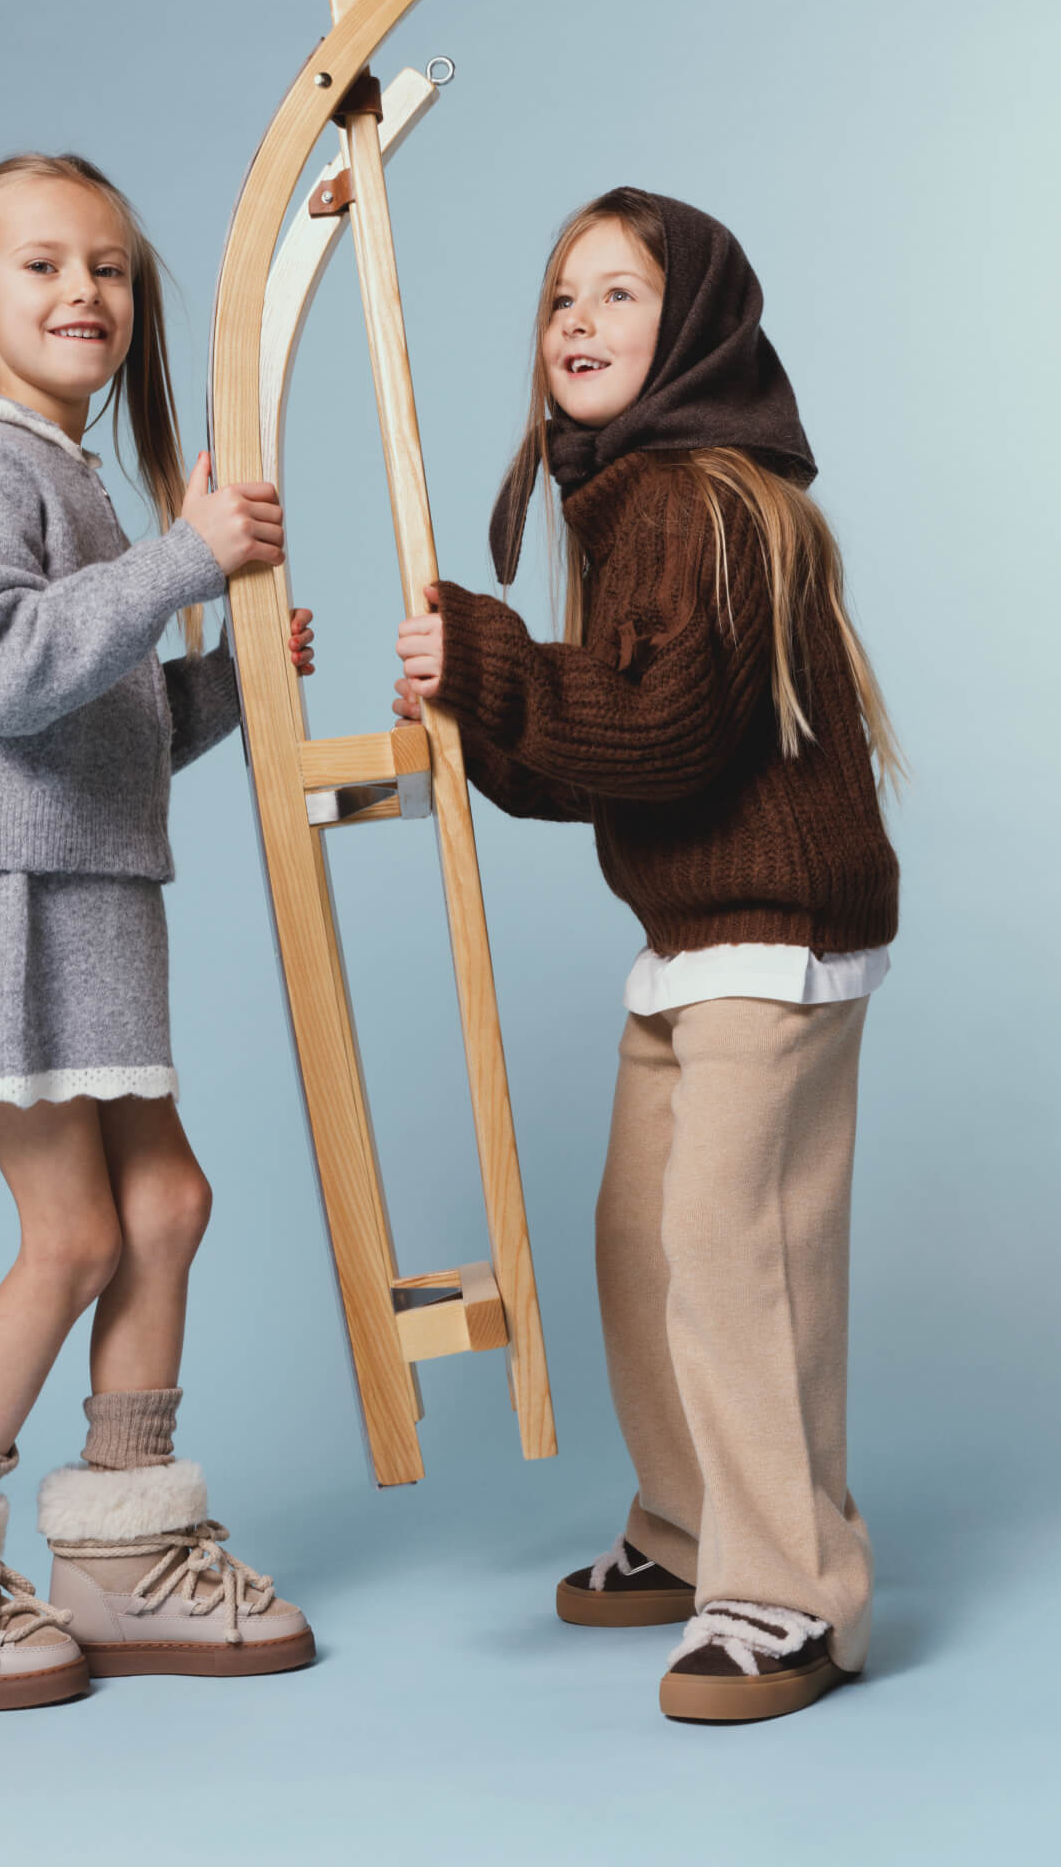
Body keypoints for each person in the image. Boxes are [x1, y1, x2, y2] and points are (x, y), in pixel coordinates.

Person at [392, 186, 903, 1724]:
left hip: (773, 930)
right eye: (563, 297)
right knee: (645, 1237)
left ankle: (792, 1586)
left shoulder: (699, 497)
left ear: (697, 332)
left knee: (739, 1249)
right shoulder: (626, 505)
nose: (580, 321)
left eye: (621, 293)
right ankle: (691, 1527)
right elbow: (604, 760)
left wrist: (491, 659)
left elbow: (668, 733)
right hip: (693, 934)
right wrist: (483, 702)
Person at [0, 152, 316, 1710]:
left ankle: (120, 1547)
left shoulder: (67, 473)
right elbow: (6, 671)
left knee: (166, 1201)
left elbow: (97, 721)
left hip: (87, 895)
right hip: (2, 910)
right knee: (78, 1232)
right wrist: (190, 559)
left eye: (106, 267)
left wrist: (226, 677)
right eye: (42, 265)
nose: (83, 291)